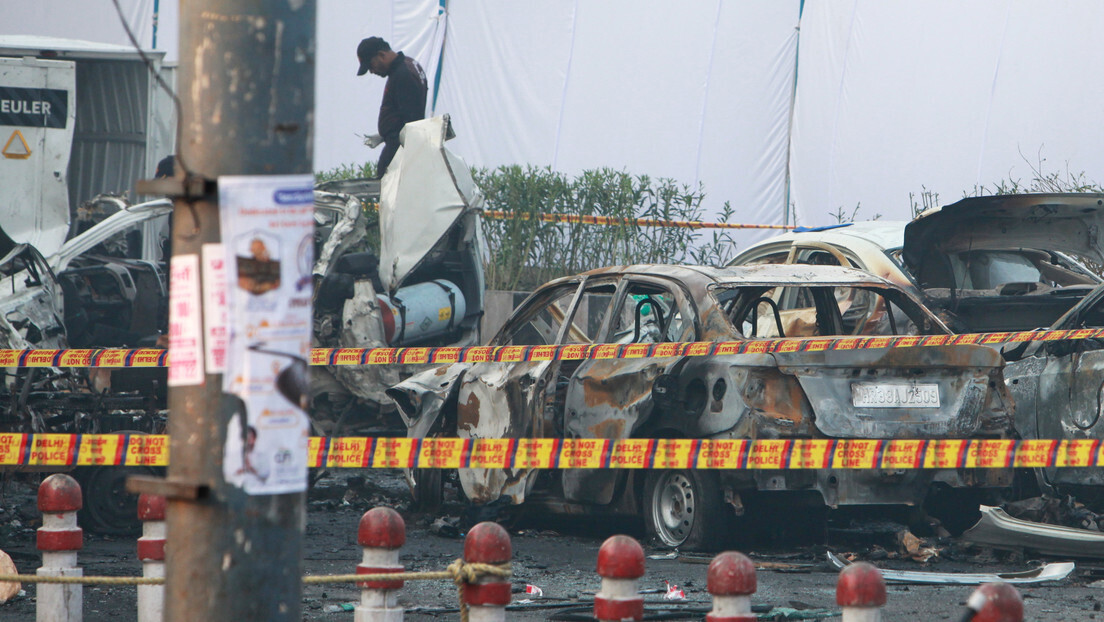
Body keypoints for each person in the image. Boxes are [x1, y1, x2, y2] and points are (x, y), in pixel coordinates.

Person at [356, 36, 428, 177]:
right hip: (400, 146)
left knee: (388, 189)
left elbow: (412, 122)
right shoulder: (409, 64)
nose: (372, 71)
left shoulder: (402, 75)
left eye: (371, 66)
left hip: (400, 152)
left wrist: (392, 135)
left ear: (381, 55)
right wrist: (384, 134)